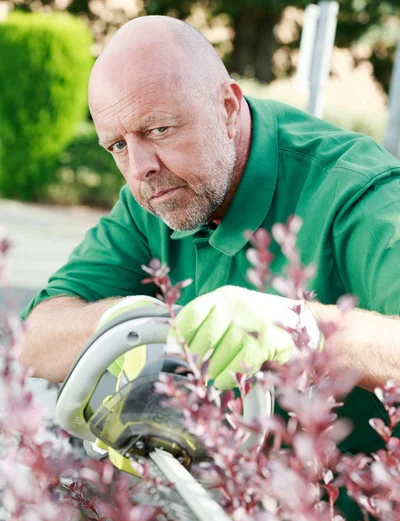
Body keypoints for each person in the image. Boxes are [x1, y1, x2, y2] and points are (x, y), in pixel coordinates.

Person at [20, 16, 400, 483]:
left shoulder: (358, 192)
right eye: (118, 145)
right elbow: (34, 336)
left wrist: (300, 328)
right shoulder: (156, 195)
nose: (139, 168)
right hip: (224, 511)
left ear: (226, 107)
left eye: (158, 129)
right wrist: (124, 327)